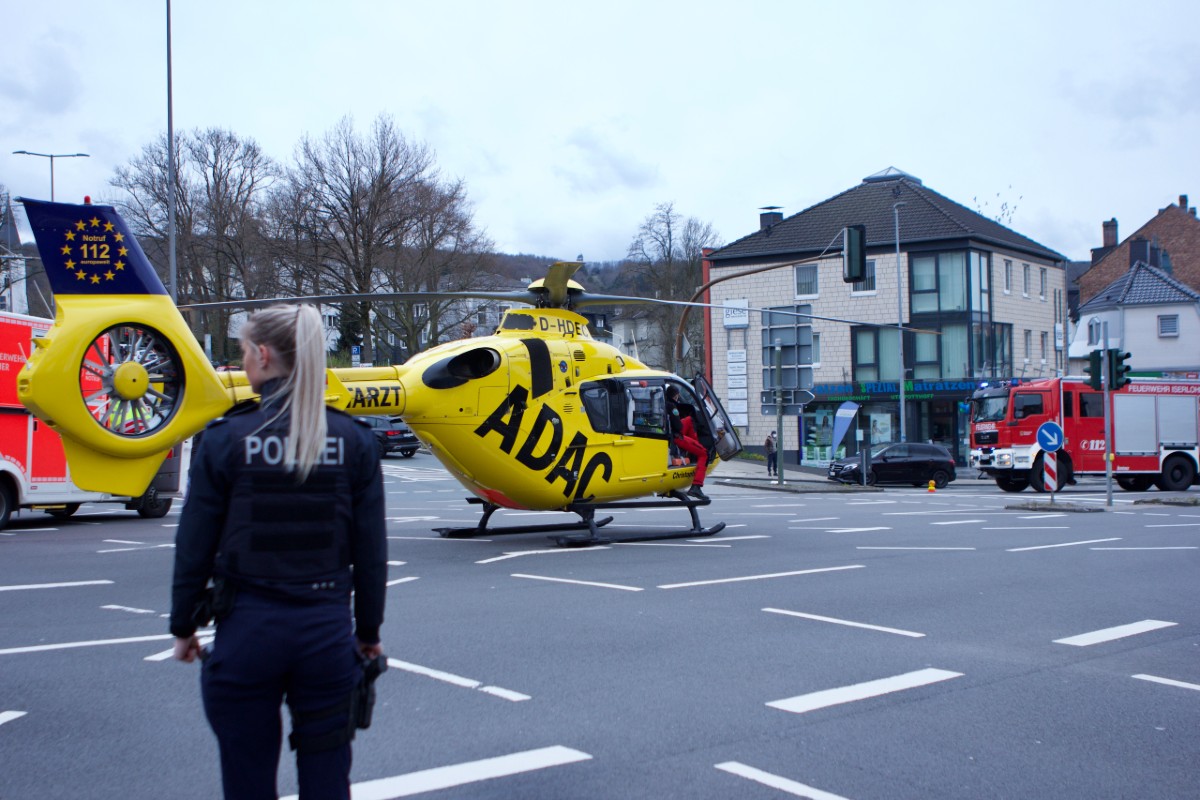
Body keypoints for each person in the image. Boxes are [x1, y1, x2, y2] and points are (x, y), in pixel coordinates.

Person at [170, 305, 387, 800]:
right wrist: (368, 633)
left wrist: (183, 626)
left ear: (263, 355)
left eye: (244, 351)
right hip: (326, 633)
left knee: (246, 781)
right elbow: (371, 554)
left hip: (247, 632)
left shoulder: (226, 438)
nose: (243, 361)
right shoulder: (353, 442)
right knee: (329, 782)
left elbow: (194, 546)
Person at [666, 385, 708, 500]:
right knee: (704, 453)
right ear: (676, 395)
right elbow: (678, 426)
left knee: (689, 420)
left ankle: (694, 448)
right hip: (675, 437)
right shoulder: (672, 406)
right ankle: (696, 486)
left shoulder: (662, 403)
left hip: (669, 434)